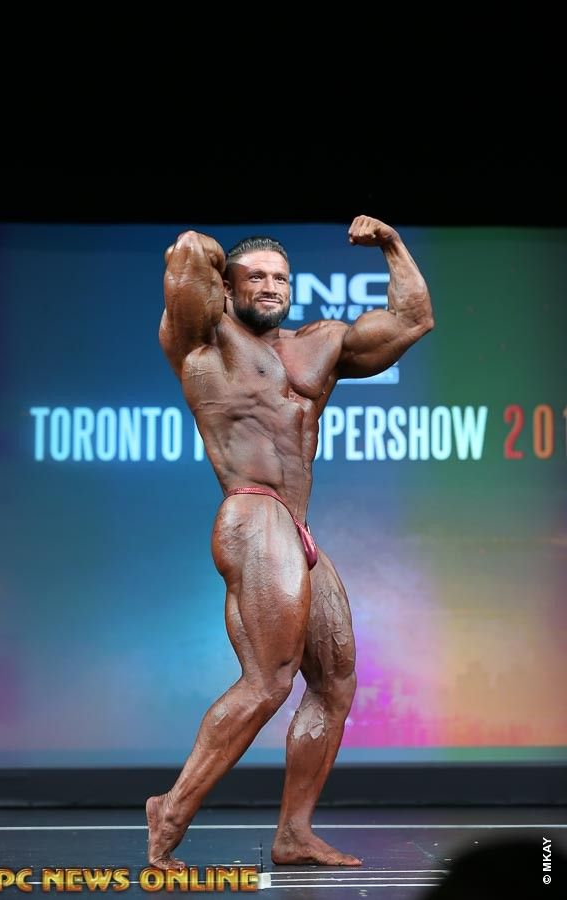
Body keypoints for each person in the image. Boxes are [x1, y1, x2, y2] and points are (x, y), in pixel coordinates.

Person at [147, 215, 434, 869]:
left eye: (280, 277)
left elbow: (412, 320)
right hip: (253, 513)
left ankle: (294, 833)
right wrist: (206, 254)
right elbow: (188, 257)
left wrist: (392, 245)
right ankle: (171, 809)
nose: (271, 286)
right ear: (227, 287)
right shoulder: (201, 340)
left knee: (335, 682)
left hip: (297, 527)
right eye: (255, 276)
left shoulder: (320, 344)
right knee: (268, 681)